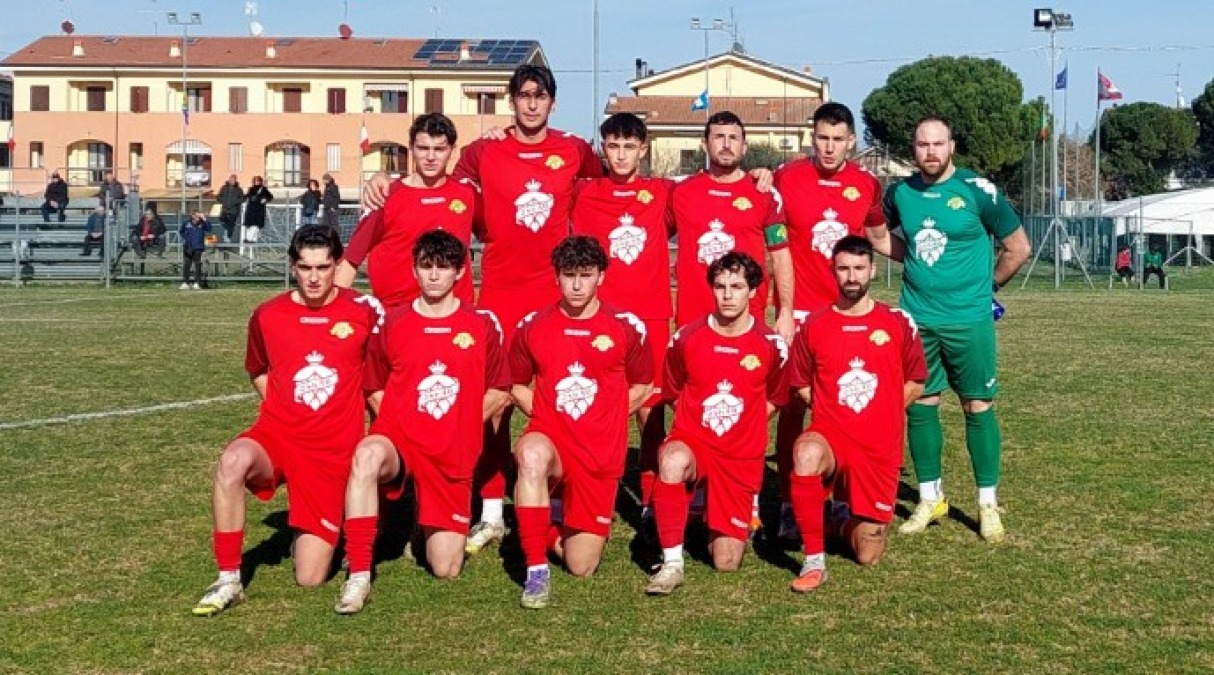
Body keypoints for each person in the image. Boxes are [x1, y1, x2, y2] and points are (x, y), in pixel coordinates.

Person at [191, 225, 383, 617]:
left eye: (323, 267)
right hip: (276, 436)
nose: (314, 278)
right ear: (293, 266)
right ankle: (229, 578)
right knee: (232, 462)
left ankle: (313, 530)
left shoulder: (364, 311)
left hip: (331, 450)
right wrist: (284, 409)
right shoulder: (268, 314)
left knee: (310, 577)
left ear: (337, 267)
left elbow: (381, 377)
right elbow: (257, 369)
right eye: (305, 267)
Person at [868, 116, 1031, 542]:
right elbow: (878, 235)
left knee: (977, 405)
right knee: (921, 404)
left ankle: (987, 503)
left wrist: (988, 287)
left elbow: (1018, 247)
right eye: (922, 144)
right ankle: (929, 497)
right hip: (918, 319)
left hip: (969, 320)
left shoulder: (978, 191)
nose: (930, 152)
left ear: (952, 146)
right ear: (913, 148)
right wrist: (915, 258)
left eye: (938, 144)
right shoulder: (901, 192)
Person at [334, 231, 511, 614]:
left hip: (452, 448)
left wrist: (457, 424)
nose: (434, 276)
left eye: (443, 267)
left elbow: (500, 390)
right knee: (366, 457)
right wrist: (405, 426)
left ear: (460, 272)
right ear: (414, 270)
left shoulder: (481, 323)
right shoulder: (393, 321)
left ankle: (423, 516)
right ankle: (359, 575)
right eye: (426, 267)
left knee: (446, 568)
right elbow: (373, 387)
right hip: (400, 440)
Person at [509, 235, 653, 608]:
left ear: (601, 277)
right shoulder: (533, 325)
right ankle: (536, 569)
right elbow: (512, 383)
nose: (576, 285)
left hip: (598, 452)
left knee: (581, 566)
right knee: (531, 455)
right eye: (568, 275)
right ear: (556, 276)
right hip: (552, 440)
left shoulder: (625, 326)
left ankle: (543, 517)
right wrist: (542, 415)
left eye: (585, 275)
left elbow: (644, 384)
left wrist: (607, 414)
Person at [771, 102, 887, 540]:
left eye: (838, 140)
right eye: (822, 138)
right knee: (792, 409)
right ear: (811, 137)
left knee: (840, 410)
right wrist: (782, 308)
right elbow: (771, 233)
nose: (829, 147)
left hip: (846, 316)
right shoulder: (787, 177)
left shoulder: (866, 185)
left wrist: (934, 261)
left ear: (851, 142)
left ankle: (839, 499)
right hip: (800, 314)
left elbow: (878, 237)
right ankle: (786, 502)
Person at [785, 235, 927, 591]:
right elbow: (800, 381)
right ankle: (814, 560)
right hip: (831, 436)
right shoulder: (815, 324)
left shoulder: (896, 321)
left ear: (873, 271)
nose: (852, 276)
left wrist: (884, 413)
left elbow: (917, 380)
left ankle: (836, 520)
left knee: (867, 554)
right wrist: (827, 411)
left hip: (877, 447)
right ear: (833, 272)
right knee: (805, 451)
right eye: (844, 268)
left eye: (859, 268)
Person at [645, 252, 788, 595]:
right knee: (673, 458)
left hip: (739, 456)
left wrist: (742, 421)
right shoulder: (686, 338)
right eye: (721, 286)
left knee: (726, 563)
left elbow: (776, 398)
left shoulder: (771, 345)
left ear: (753, 292)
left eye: (737, 286)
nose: (727, 295)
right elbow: (673, 390)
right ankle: (672, 563)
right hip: (695, 443)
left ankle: (713, 510)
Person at [569, 111, 676, 533]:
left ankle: (650, 500)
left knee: (650, 414)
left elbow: (717, 185)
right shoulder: (582, 192)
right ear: (602, 149)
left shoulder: (663, 192)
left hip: (650, 317)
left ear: (643, 149)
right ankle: (589, 491)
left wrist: (760, 174)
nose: (621, 155)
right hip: (600, 321)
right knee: (593, 409)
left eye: (629, 146)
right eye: (613, 146)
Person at [671, 112, 794, 343]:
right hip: (693, 319)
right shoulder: (680, 191)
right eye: (718, 137)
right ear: (705, 144)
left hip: (747, 320)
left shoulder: (765, 194)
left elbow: (781, 256)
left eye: (733, 138)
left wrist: (786, 312)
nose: (726, 145)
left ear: (744, 146)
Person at [337, 113, 480, 309]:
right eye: (423, 148)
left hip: (454, 313)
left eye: (439, 149)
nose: (430, 157)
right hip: (398, 313)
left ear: (452, 150)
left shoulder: (466, 193)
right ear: (411, 148)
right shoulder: (385, 195)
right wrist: (330, 314)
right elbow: (352, 259)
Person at [179, 210, 212, 290]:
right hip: (188, 247)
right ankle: (185, 282)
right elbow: (181, 231)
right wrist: (186, 239)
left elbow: (209, 229)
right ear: (193, 215)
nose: (198, 218)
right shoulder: (186, 223)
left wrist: (205, 219)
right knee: (187, 265)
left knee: (197, 265)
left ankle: (197, 282)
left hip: (198, 247)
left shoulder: (202, 223)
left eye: (199, 216)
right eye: (197, 216)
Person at [243, 176, 274, 252]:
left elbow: (270, 197)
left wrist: (265, 199)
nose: (256, 182)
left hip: (259, 210)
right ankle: (251, 240)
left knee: (256, 225)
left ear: (260, 181)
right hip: (251, 209)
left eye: (258, 181)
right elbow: (247, 196)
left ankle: (249, 239)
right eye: (255, 181)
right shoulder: (251, 189)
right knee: (252, 226)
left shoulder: (263, 189)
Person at [217, 175, 245, 243]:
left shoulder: (239, 189)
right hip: (225, 208)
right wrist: (223, 201)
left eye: (233, 180)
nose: (231, 181)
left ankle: (228, 237)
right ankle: (226, 230)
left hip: (234, 209)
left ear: (235, 181)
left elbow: (242, 198)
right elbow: (218, 196)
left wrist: (235, 202)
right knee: (221, 219)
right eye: (230, 179)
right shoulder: (224, 188)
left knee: (231, 224)